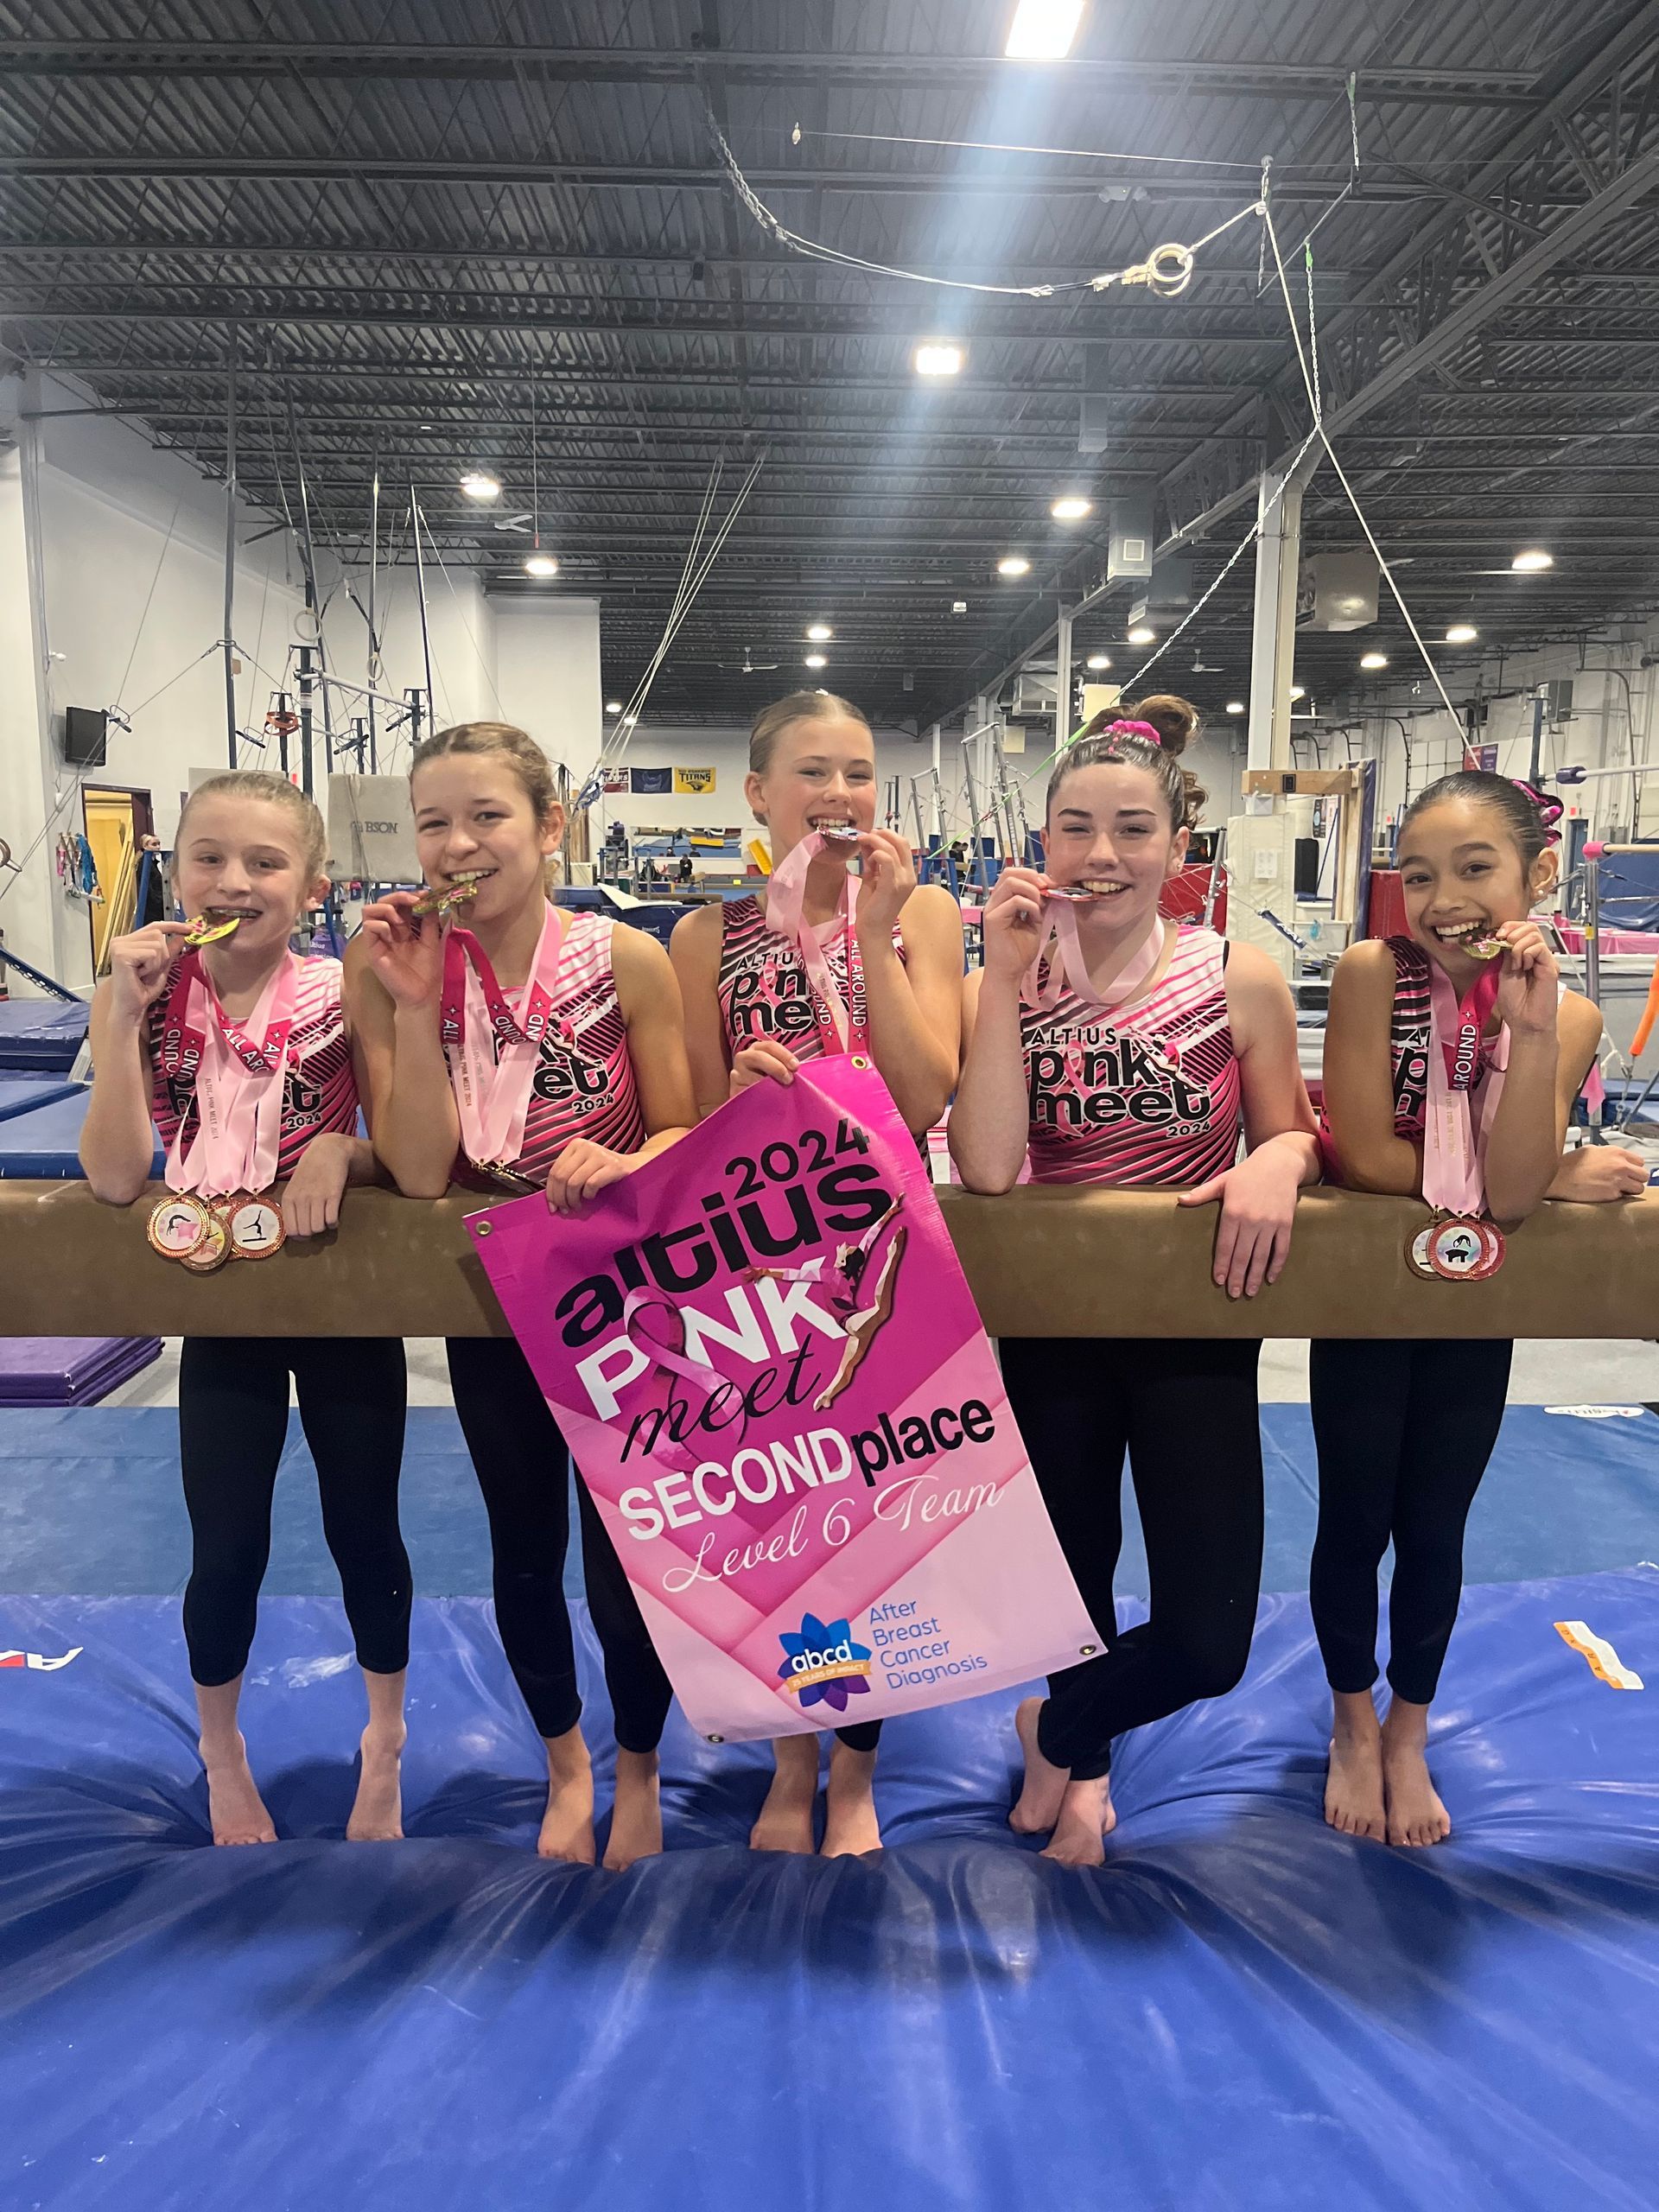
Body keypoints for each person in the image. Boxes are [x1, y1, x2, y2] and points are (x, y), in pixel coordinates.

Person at [949, 700, 1320, 1868]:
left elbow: (1298, 1135)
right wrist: (1003, 985)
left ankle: (1058, 1726)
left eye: (1131, 829)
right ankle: (1089, 1782)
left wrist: (1275, 1157)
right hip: (1053, 1326)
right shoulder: (999, 982)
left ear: (1178, 847)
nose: (1101, 855)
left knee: (1210, 1642)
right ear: (1040, 841)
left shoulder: (1235, 975)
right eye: (1075, 829)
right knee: (1076, 1588)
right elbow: (991, 1172)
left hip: (1191, 1329)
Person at [353, 721, 696, 1871]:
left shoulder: (622, 960)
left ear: (551, 827)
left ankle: (639, 1763)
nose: (459, 843)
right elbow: (410, 1171)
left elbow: (684, 1132)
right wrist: (408, 1005)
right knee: (523, 1546)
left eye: (488, 816)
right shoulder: (395, 961)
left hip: (617, 1300)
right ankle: (566, 1765)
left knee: (625, 1552)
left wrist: (632, 1160)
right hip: (488, 1292)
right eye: (434, 821)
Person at [80, 771, 410, 1847]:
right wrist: (122, 1017)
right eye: (210, 857)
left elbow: (410, 1150)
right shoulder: (147, 993)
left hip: (337, 1293)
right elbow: (119, 1177)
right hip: (221, 1296)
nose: (235, 880)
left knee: (367, 1530)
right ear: (175, 869)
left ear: (312, 884)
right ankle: (223, 1757)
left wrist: (340, 1145)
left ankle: (386, 1741)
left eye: (266, 863)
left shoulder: (344, 985)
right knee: (227, 1546)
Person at [670, 690, 963, 1857]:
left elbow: (928, 1090)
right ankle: (792, 1751)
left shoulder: (922, 913)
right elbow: (687, 1130)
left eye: (858, 773)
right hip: (764, 1270)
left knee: (871, 1526)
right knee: (783, 1527)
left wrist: (880, 933)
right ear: (758, 794)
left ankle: (854, 1770)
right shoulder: (708, 938)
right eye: (812, 773)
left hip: (895, 1254)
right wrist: (740, 1100)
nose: (839, 795)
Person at [1313, 772, 1609, 1848]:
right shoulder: (1366, 975)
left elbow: (1519, 1190)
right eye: (1420, 875)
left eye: (1475, 870)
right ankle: (1349, 1721)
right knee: (1354, 1517)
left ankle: (1407, 1729)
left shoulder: (1566, 1012)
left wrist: (1531, 1051)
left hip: (1473, 1309)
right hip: (1369, 1294)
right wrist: (1537, 1172)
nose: (1443, 899)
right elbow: (1368, 1155)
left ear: (1536, 872)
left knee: (1436, 1524)